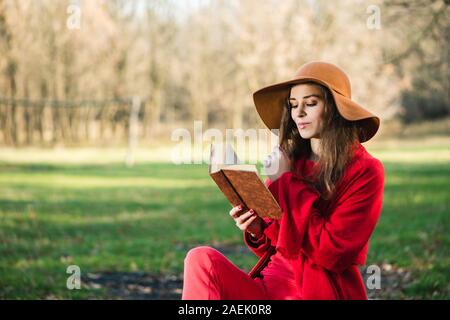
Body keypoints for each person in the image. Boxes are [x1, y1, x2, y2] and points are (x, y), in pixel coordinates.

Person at [181, 61, 385, 300]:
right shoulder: (290, 162)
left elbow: (333, 252)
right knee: (200, 258)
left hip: (315, 291)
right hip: (266, 289)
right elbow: (274, 244)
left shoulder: (365, 170)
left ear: (335, 109)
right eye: (293, 105)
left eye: (310, 103)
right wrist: (258, 229)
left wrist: (285, 181)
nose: (298, 113)